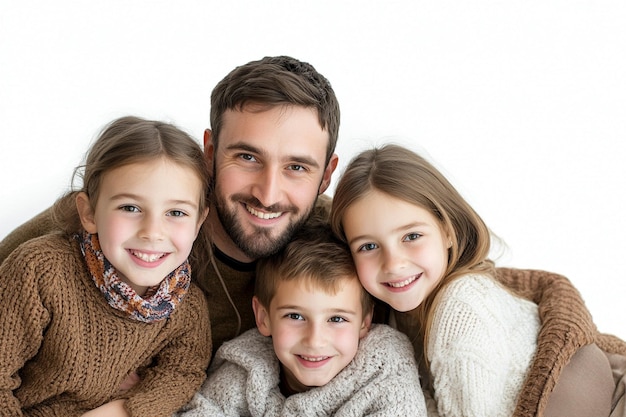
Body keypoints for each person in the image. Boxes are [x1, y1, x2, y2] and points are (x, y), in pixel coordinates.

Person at [1, 55, 624, 415]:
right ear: (210, 149)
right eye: (247, 157)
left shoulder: (346, 240)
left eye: (297, 167)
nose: (270, 193)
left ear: (325, 173)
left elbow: (475, 287)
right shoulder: (121, 220)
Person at [330, 143, 626, 417]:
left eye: (412, 236)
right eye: (368, 246)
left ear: (448, 231)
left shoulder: (460, 307)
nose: (394, 263)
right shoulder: (385, 321)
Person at [0, 116, 212, 416]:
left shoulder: (185, 305)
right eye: (130, 208)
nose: (153, 232)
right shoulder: (42, 272)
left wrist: (126, 410)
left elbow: (184, 371)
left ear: (198, 222)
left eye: (176, 212)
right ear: (89, 213)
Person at [176, 222, 428, 416]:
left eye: (337, 319)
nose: (315, 340)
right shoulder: (248, 367)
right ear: (263, 317)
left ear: (364, 321)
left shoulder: (385, 367)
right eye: (295, 316)